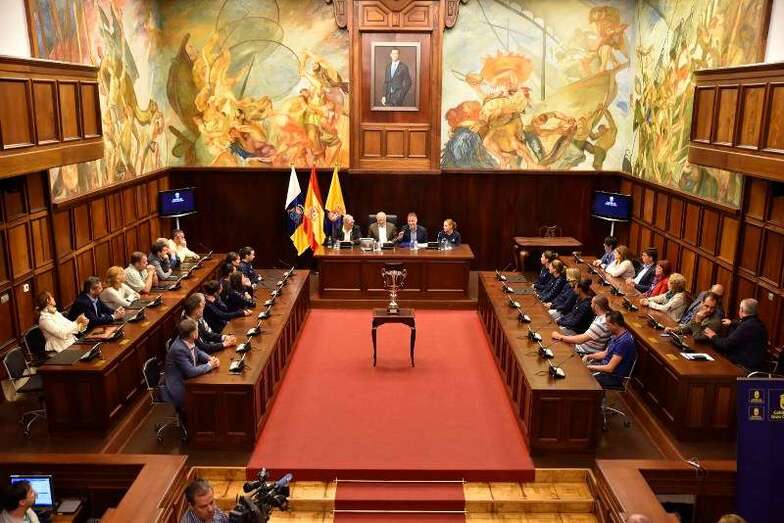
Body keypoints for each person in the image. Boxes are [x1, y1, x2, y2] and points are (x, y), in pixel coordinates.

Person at [161, 319, 220, 413]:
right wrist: (210, 365)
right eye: (196, 329)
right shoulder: (178, 349)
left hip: (188, 378)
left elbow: (197, 352)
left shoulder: (186, 339)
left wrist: (209, 358)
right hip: (180, 384)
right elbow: (191, 371)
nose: (198, 330)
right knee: (207, 396)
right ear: (193, 334)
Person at [705, 298, 768, 372]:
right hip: (756, 365)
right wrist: (732, 322)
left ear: (741, 310)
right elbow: (744, 325)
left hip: (744, 368)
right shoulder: (758, 323)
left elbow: (726, 344)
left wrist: (713, 336)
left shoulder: (746, 326)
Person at [583, 310, 636, 388]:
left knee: (583, 380)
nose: (606, 327)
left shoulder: (625, 342)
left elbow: (609, 368)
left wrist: (589, 367)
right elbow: (605, 353)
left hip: (612, 376)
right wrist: (589, 356)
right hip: (604, 370)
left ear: (615, 325)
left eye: (608, 325)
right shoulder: (616, 335)